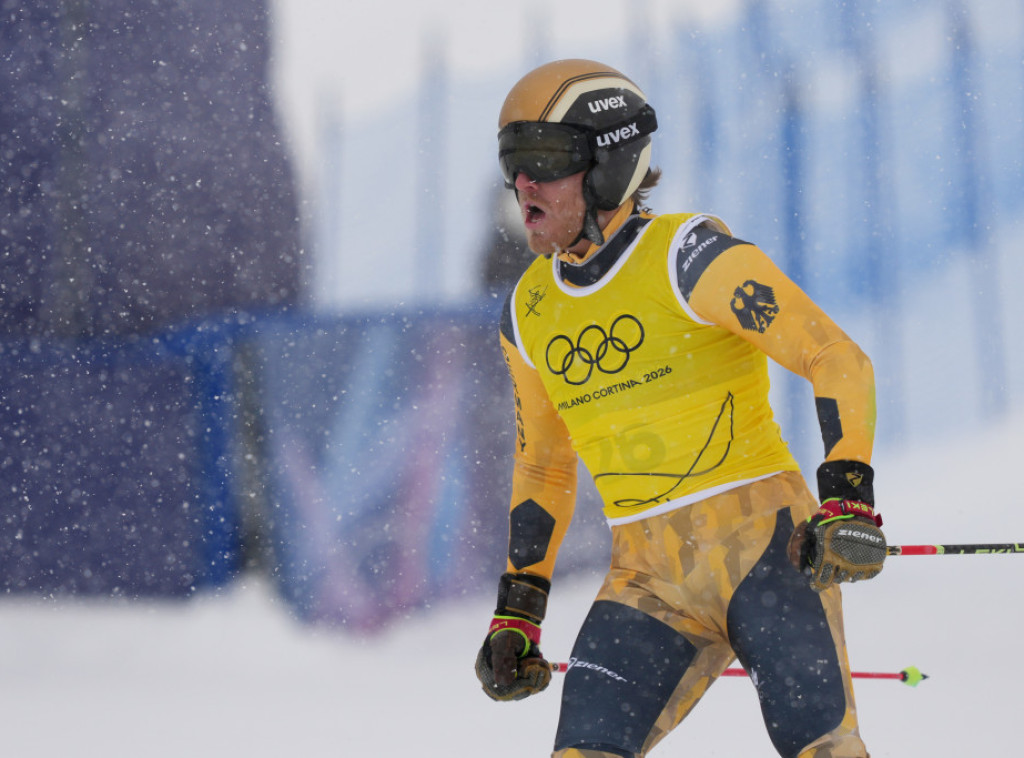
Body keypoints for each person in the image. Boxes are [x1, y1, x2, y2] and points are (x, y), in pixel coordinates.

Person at [473, 59, 888, 758]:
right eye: (513, 162)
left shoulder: (688, 256)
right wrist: (519, 609)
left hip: (769, 552)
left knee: (827, 751)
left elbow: (835, 357)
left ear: (608, 163)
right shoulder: (528, 310)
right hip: (648, 581)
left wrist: (847, 498)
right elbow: (543, 469)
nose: (524, 184)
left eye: (545, 160)